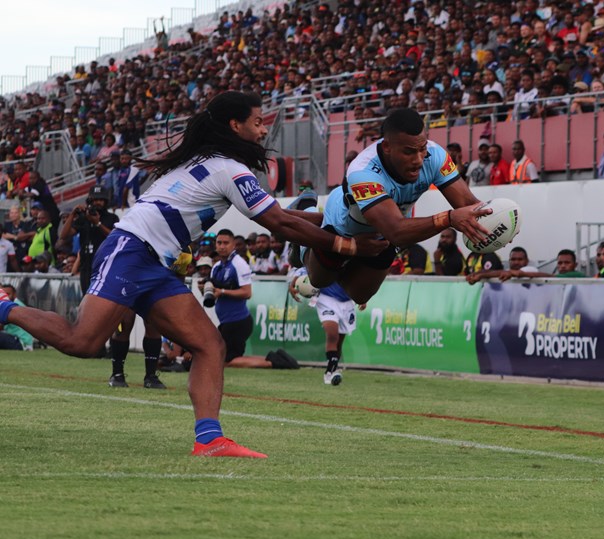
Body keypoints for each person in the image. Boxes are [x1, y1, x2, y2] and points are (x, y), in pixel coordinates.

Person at [0, 91, 387, 459]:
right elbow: (280, 223)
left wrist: (334, 221)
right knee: (82, 342)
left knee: (209, 346)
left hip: (153, 260)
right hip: (131, 251)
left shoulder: (217, 164)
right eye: (257, 121)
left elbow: (281, 216)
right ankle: (4, 307)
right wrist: (348, 245)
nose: (263, 129)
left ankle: (210, 439)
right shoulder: (229, 170)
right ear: (235, 125)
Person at [304, 108, 488, 303]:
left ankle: (317, 234)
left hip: (381, 234)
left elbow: (468, 205)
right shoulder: (363, 171)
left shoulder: (435, 155)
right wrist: (449, 218)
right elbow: (396, 231)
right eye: (408, 152)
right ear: (387, 147)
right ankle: (305, 215)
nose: (418, 160)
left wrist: (501, 224)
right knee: (320, 281)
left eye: (422, 149)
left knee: (359, 296)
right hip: (345, 228)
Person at [203, 229, 281, 370]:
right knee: (224, 357)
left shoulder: (239, 264)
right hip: (226, 321)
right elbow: (214, 296)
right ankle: (272, 359)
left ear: (233, 245)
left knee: (227, 360)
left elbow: (247, 293)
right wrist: (205, 289)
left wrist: (222, 292)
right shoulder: (216, 267)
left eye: (226, 243)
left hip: (238, 321)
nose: (222, 246)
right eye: (219, 243)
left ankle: (274, 363)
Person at [289, 268, 364, 386]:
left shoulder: (352, 261)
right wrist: (293, 282)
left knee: (338, 342)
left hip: (347, 301)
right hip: (326, 298)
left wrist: (363, 297)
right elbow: (308, 265)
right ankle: (330, 372)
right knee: (332, 335)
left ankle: (333, 368)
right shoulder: (330, 257)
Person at [59, 186, 118, 293]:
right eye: (95, 200)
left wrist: (97, 223)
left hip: (104, 266)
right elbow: (63, 235)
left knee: (101, 297)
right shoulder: (84, 218)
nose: (98, 202)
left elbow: (115, 237)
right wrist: (72, 214)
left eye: (100, 200)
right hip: (86, 267)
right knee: (86, 296)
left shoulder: (112, 218)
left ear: (105, 201)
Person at [0, 284, 33, 351]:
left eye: (8, 294)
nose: (6, 297)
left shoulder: (14, 306)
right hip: (17, 340)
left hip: (20, 342)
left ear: (14, 295)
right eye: (4, 295)